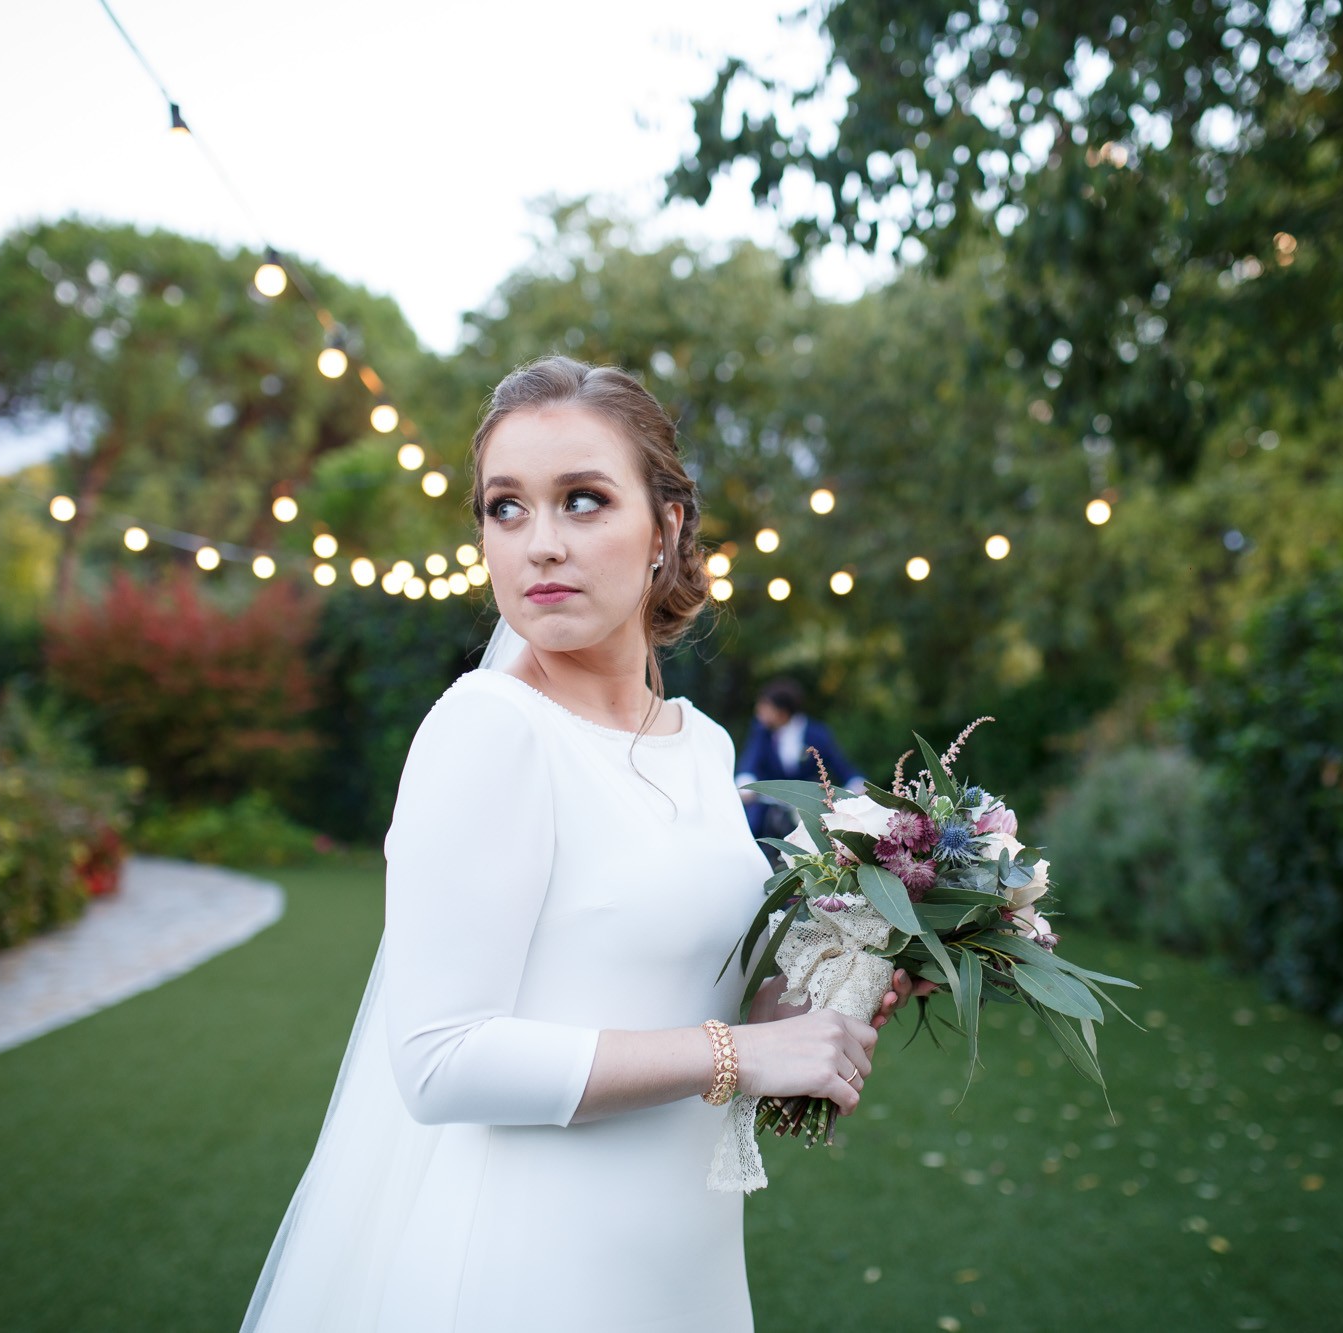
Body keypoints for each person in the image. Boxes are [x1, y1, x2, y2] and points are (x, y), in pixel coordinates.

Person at [240, 357, 929, 1332]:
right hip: (527, 1268)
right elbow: (441, 1060)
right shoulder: (489, 728)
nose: (539, 544)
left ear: (667, 527)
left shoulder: (701, 744)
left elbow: (688, 995)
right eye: (505, 508)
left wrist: (838, 983)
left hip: (680, 1260)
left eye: (582, 500)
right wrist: (738, 1051)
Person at [735, 678, 865, 839]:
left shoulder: (817, 734)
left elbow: (841, 765)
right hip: (771, 806)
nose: (758, 710)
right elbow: (750, 762)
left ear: (781, 711)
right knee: (751, 826)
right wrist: (745, 783)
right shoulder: (762, 732)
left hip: (808, 806)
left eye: (764, 706)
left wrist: (856, 784)